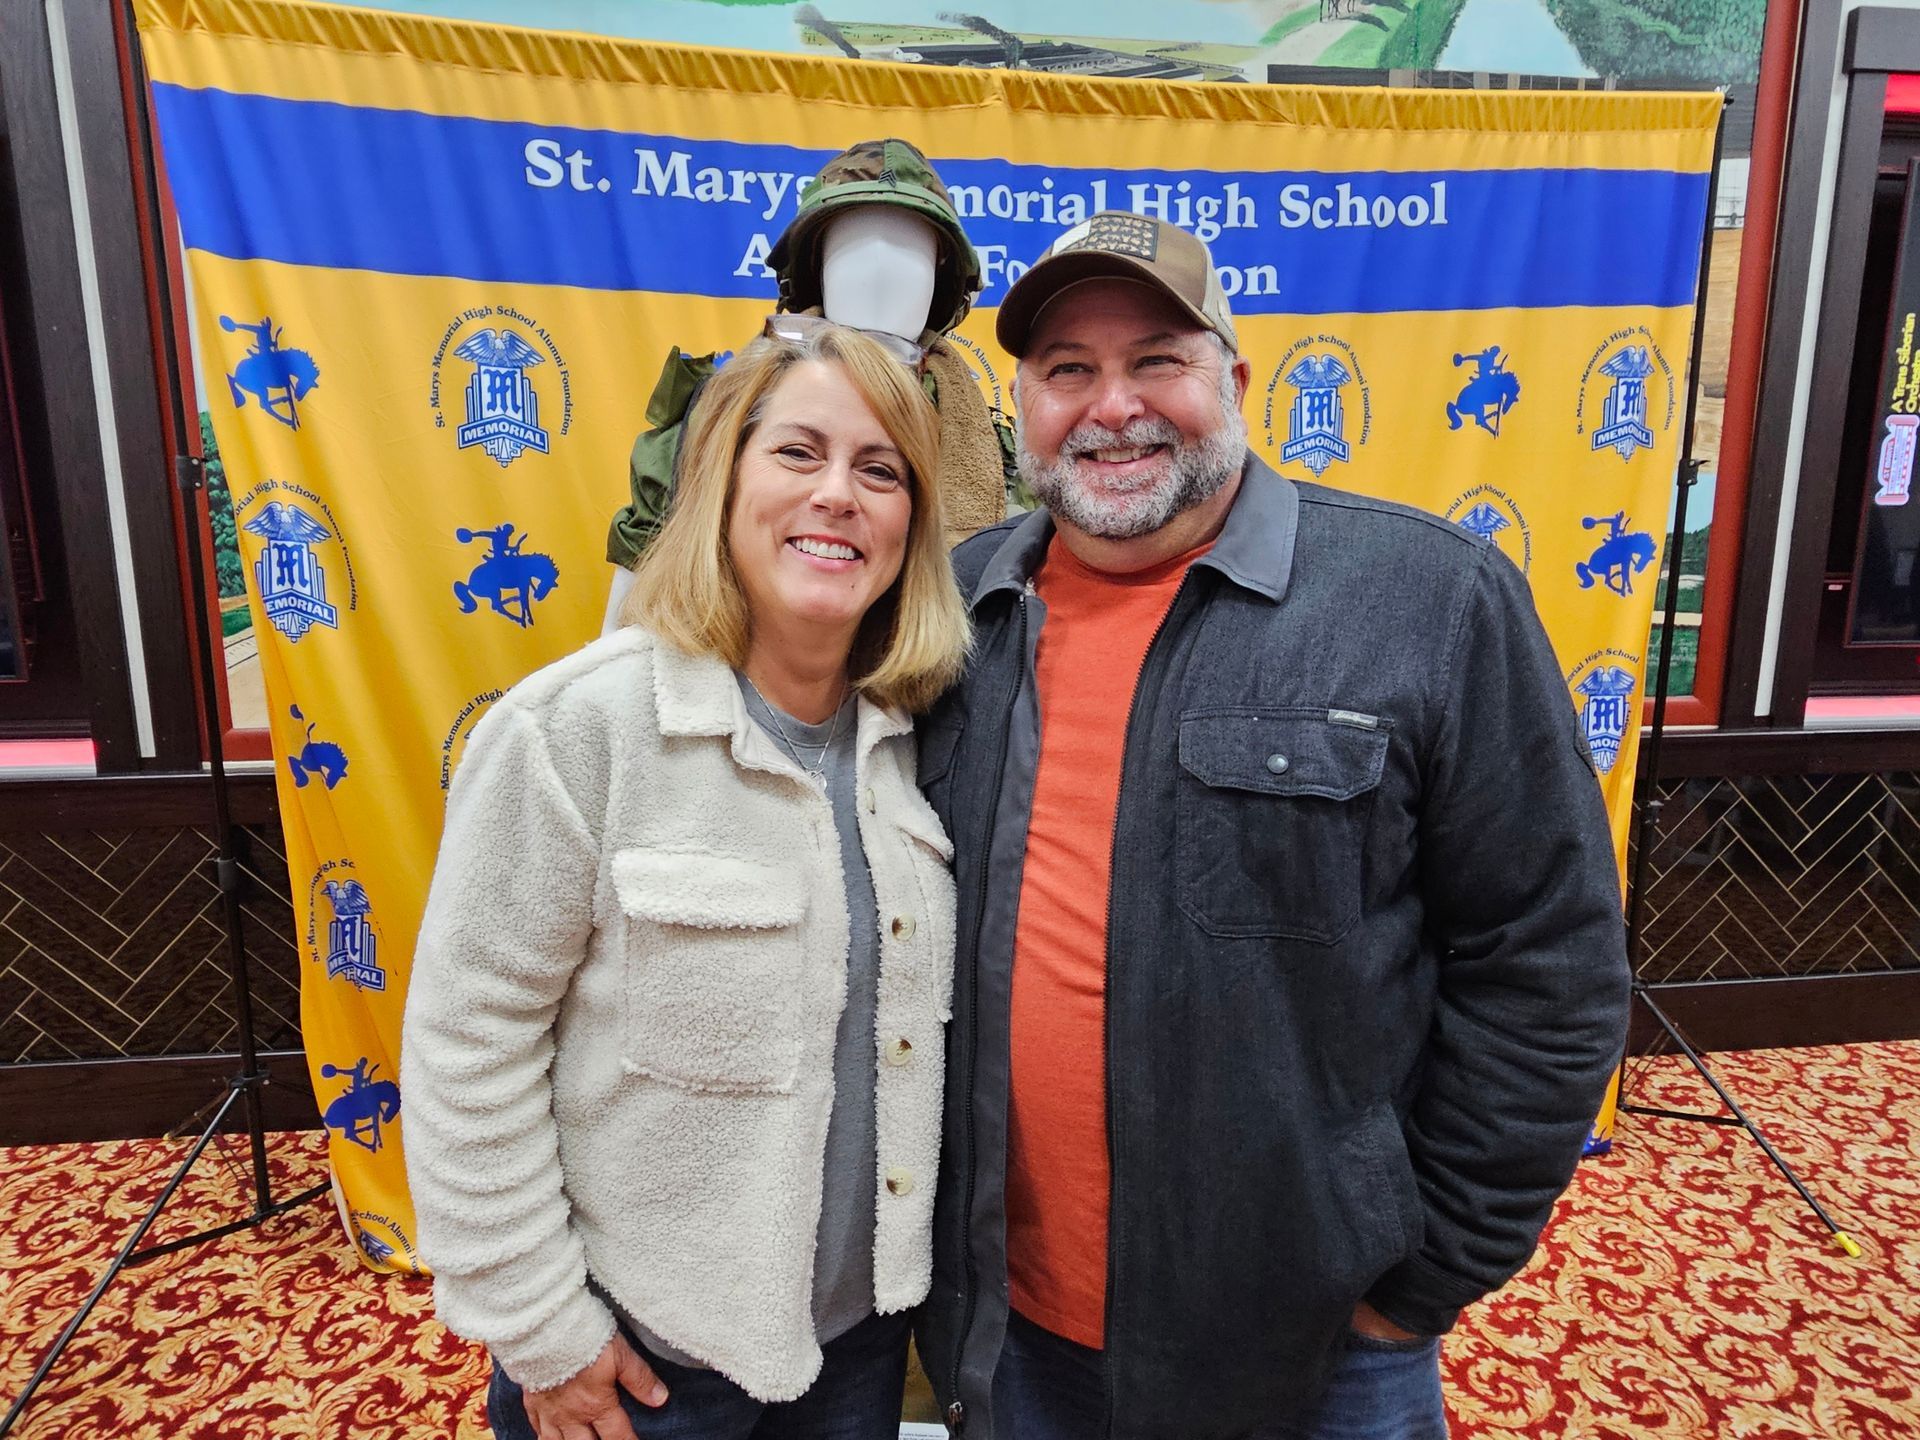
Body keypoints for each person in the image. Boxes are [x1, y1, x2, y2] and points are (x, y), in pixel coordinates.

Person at [913, 213, 1631, 1440]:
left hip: (1313, 1350)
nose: (1112, 406)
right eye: (1067, 371)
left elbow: (1549, 965)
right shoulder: (948, 613)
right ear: (1021, 403)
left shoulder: (1429, 600)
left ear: (1235, 383)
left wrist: (1422, 1277)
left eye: (1157, 360)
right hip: (1005, 1330)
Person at [403, 320, 971, 1440]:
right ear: (720, 479)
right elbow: (468, 1043)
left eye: (880, 470)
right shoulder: (575, 731)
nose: (839, 496)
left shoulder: (921, 745)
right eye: (798, 453)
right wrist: (543, 1331)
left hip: (856, 1351)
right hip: (643, 1363)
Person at [601, 137, 1020, 633]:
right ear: (815, 267)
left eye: (912, 250)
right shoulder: (722, 413)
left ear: (942, 273)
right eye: (853, 246)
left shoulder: (986, 448)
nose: (882, 271)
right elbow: (635, 609)